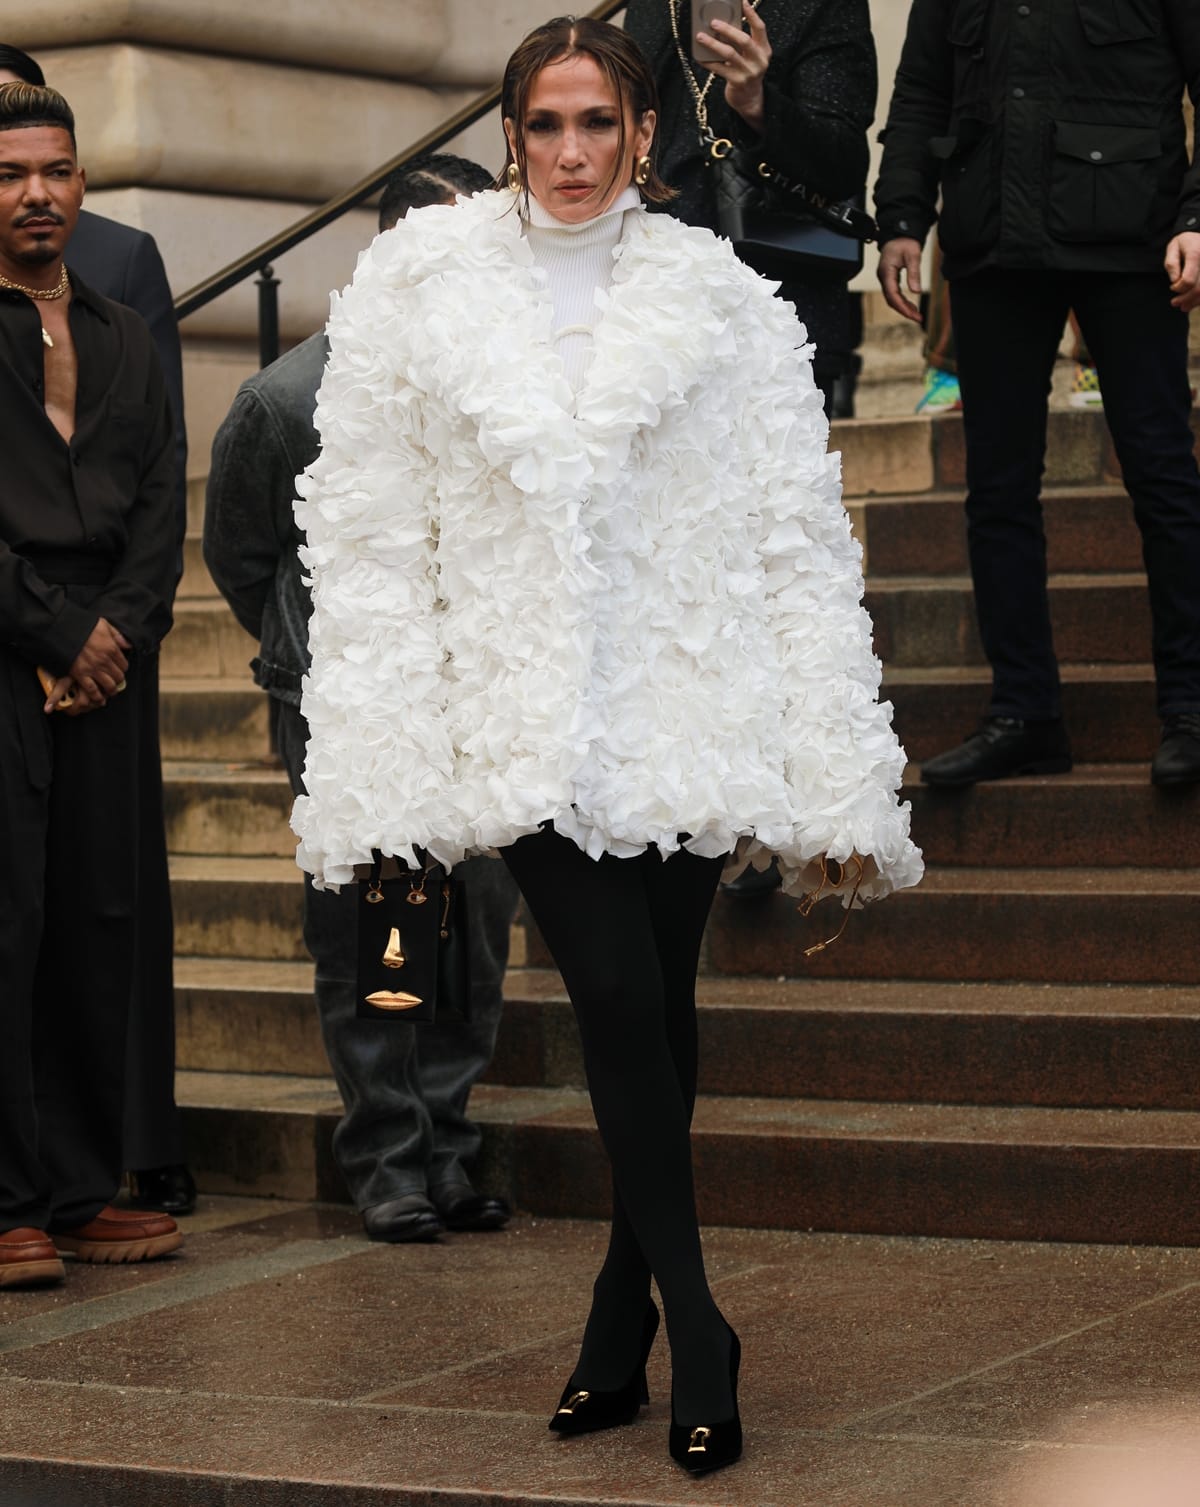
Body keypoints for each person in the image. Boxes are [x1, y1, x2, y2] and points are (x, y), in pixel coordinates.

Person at [292, 17, 921, 1474]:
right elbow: (378, 542)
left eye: (600, 124)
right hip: (524, 720)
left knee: (666, 1014)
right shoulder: (417, 292)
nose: (574, 153)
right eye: (547, 125)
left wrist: (830, 752)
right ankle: (700, 1322)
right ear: (511, 136)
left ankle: (609, 1322)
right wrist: (386, 757)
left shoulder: (725, 299)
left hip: (691, 704)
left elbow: (792, 534)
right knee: (622, 997)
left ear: (646, 135)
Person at [205, 154, 520, 1246]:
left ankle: (450, 1140)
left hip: (479, 699)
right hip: (354, 711)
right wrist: (318, 655)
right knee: (386, 932)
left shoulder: (505, 388)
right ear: (382, 254)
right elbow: (242, 558)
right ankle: (389, 1158)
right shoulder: (290, 398)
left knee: (473, 931)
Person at [875, 0, 1200, 787]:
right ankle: (1026, 714)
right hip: (993, 246)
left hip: (1131, 241)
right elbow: (921, 91)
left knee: (1162, 476)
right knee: (998, 493)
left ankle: (1190, 710)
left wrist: (1197, 215)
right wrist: (902, 218)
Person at [0, 41, 192, 1214]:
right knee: (9, 924)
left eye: (58, 170)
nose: (37, 193)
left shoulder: (122, 330)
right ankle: (10, 1200)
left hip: (110, 665)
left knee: (94, 922)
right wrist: (57, 633)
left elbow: (166, 491)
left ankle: (79, 1183)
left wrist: (118, 628)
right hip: (10, 655)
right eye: (12, 171)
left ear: (82, 184)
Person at [622, 0, 877, 415]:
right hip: (660, 306)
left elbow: (843, 164)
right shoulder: (654, 7)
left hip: (777, 309)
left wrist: (758, 103)